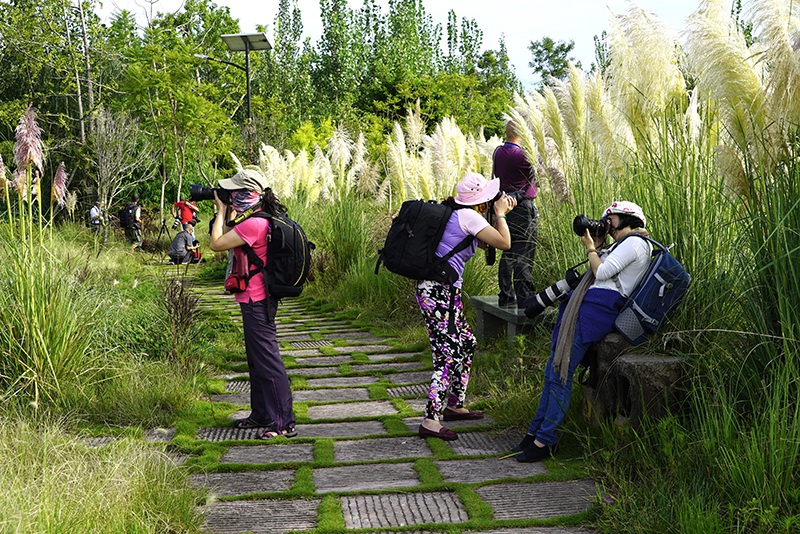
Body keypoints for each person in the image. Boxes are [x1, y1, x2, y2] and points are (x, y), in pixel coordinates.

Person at [514, 201, 652, 462]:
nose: (607, 225)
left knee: (561, 373)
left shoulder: (635, 243)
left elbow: (602, 272)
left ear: (629, 219)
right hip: (586, 308)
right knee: (552, 371)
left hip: (595, 312)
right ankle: (534, 433)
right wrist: (599, 248)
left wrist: (591, 249)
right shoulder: (621, 246)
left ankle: (546, 440)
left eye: (611, 219)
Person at [417, 172, 516, 441]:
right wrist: (501, 214)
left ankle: (455, 405)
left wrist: (493, 214)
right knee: (447, 354)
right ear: (482, 202)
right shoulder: (469, 217)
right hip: (440, 293)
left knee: (467, 342)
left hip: (442, 292)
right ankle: (430, 419)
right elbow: (504, 243)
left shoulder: (457, 214)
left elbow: (485, 243)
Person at [209, 167, 296, 439]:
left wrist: (221, 212)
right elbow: (229, 235)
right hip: (255, 298)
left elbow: (216, 243)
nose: (231, 195)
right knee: (256, 361)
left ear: (248, 193)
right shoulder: (256, 219)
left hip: (257, 300)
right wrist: (229, 214)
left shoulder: (254, 223)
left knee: (268, 362)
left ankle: (283, 422)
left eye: (235, 191)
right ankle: (261, 414)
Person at [493, 119, 539, 307]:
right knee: (524, 253)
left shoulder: (498, 151)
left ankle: (506, 295)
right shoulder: (522, 155)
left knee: (509, 251)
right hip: (521, 206)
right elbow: (540, 168)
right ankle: (525, 298)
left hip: (504, 205)